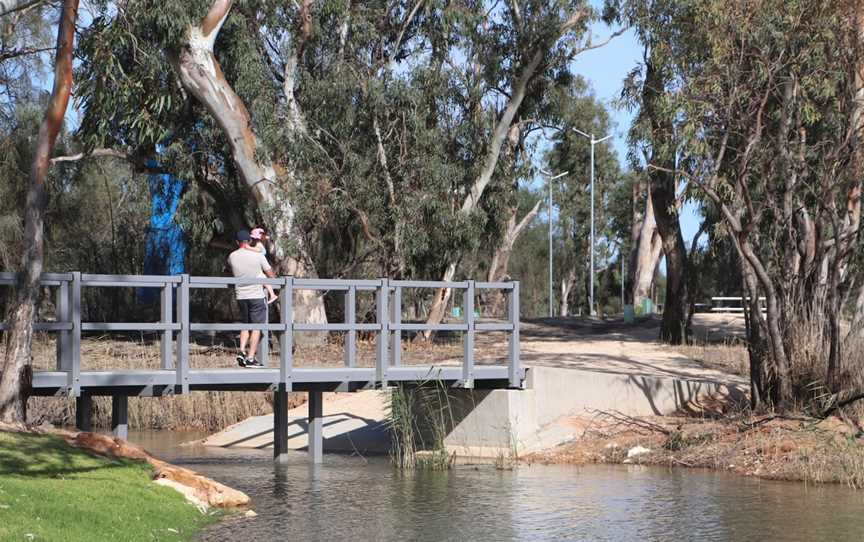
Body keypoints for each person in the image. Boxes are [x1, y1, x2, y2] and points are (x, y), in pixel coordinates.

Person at [228, 229, 275, 368]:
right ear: (249, 241)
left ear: (237, 242)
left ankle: (242, 351)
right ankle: (250, 358)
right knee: (256, 327)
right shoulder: (258, 256)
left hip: (241, 296)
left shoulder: (232, 256)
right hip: (256, 295)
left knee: (245, 324)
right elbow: (270, 274)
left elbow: (229, 269)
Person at [249, 227, 278, 304]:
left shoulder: (258, 245)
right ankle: (271, 294)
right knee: (263, 278)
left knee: (262, 278)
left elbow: (259, 250)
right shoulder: (260, 244)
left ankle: (272, 295)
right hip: (259, 265)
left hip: (259, 265)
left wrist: (247, 248)